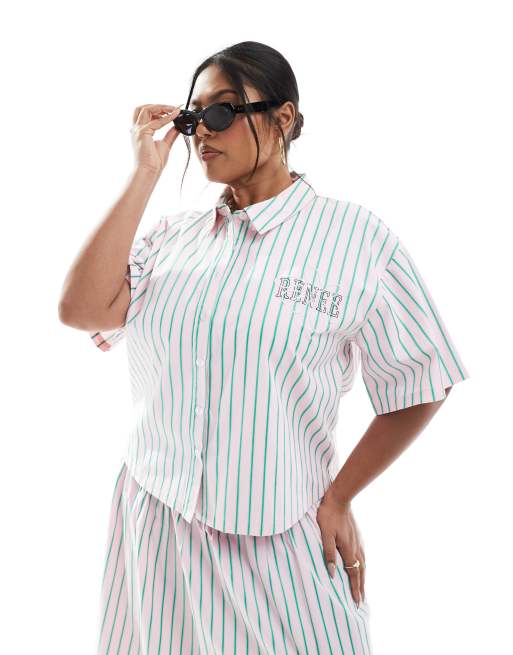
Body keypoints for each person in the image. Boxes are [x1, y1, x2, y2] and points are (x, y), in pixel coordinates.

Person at [58, 41, 469, 655]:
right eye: (193, 118)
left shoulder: (357, 241)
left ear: (283, 119)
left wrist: (340, 496)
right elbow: (81, 310)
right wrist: (145, 172)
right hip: (156, 528)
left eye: (221, 111)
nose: (202, 132)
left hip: (276, 537)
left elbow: (422, 378)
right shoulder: (173, 238)